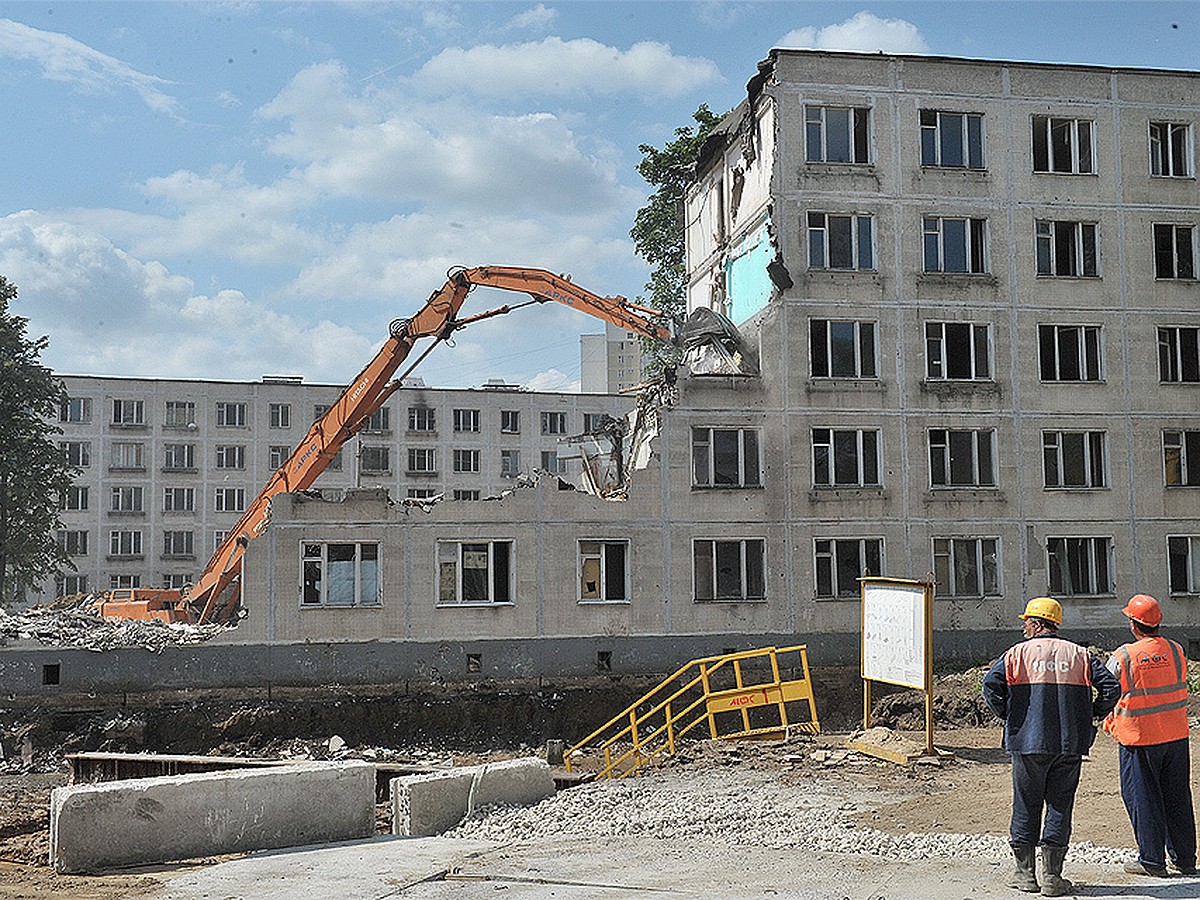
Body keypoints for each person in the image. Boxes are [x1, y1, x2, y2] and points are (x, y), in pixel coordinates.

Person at [982, 597, 1120, 896]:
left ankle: (1025, 875)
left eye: (1026, 622)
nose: (1023, 628)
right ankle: (1052, 878)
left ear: (1036, 624)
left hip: (1028, 743)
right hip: (1069, 743)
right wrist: (1091, 713)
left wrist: (1010, 715)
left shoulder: (1016, 654)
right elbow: (1112, 687)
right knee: (1060, 805)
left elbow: (990, 687)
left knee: (1026, 804)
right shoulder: (1080, 654)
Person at [1102, 593, 1197, 878]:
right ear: (1157, 622)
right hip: (1176, 735)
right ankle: (1184, 859)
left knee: (1142, 797)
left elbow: (1106, 690)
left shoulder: (1124, 656)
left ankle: (1152, 861)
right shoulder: (1176, 650)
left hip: (1139, 738)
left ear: (1134, 624)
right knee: (1177, 797)